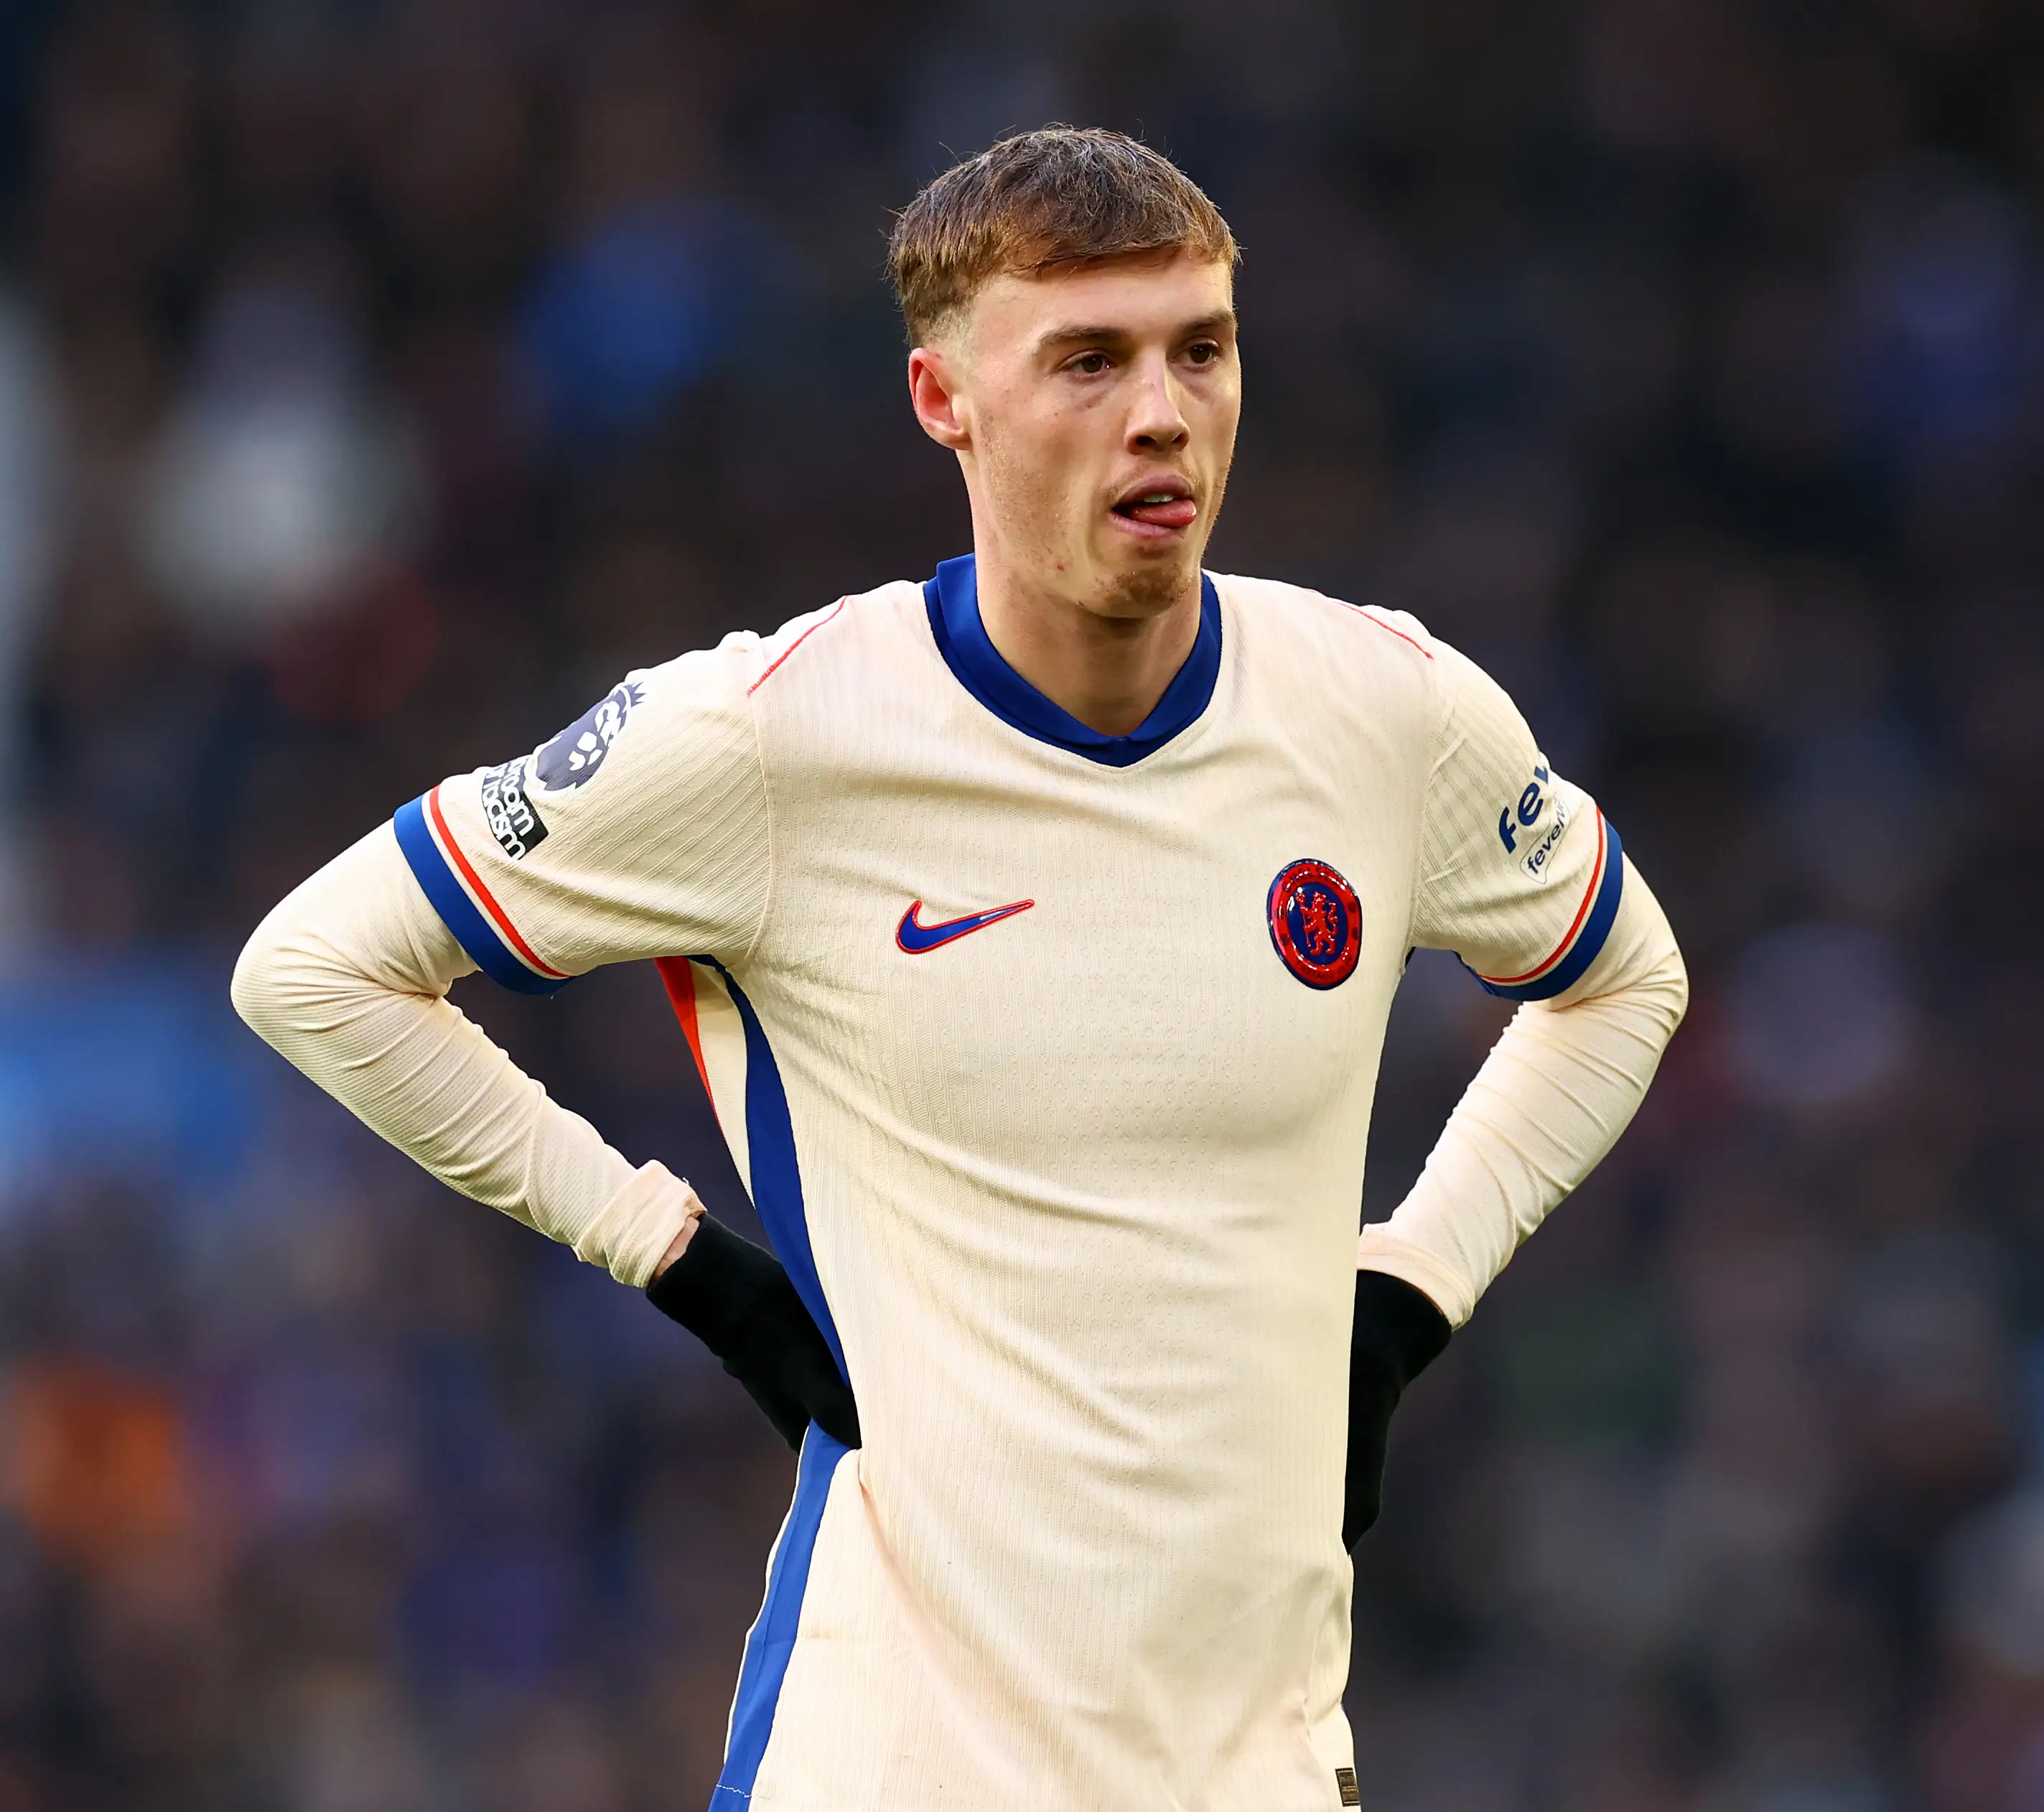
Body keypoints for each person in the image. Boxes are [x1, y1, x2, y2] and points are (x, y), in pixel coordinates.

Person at [232, 126, 1684, 1812]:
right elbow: (320, 966)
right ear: (945, 401)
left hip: (1259, 1760)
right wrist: (674, 1251)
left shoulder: (1386, 710)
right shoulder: (770, 738)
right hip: (895, 1762)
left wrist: (1410, 1290)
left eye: (1198, 350)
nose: (1162, 410)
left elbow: (1622, 976)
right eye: (1087, 359)